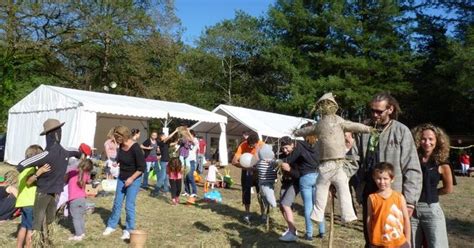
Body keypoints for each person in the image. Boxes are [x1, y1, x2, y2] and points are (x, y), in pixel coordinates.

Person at [293, 92, 372, 226]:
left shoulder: (322, 124)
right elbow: (354, 125)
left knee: (321, 190)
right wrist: (369, 129)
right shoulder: (337, 122)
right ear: (334, 106)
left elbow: (306, 130)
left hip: (328, 166)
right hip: (336, 165)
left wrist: (296, 132)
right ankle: (348, 215)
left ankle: (318, 214)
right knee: (343, 190)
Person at [357, 92, 422, 247]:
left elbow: (412, 168)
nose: (374, 114)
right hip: (370, 194)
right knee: (372, 237)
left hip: (393, 197)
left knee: (393, 239)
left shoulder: (401, 131)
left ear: (390, 110)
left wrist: (410, 201)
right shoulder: (363, 130)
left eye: (379, 111)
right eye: (372, 110)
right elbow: (353, 160)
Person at [17, 119, 83, 246]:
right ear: (58, 134)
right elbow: (75, 153)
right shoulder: (61, 152)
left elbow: (23, 164)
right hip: (52, 193)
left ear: (48, 135)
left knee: (37, 224)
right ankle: (44, 242)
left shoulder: (49, 154)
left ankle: (38, 243)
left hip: (44, 193)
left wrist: (18, 170)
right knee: (44, 223)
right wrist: (81, 155)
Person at [411, 123, 453, 247]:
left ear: (437, 141)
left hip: (431, 209)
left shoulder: (443, 164)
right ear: (418, 140)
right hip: (411, 209)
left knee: (437, 245)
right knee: (411, 244)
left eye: (431, 139)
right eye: (423, 139)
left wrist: (432, 192)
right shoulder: (412, 160)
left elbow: (448, 189)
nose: (427, 142)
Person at [103, 125, 145, 240]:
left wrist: (131, 179)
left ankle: (129, 229)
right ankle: (111, 225)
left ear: (125, 136)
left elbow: (142, 168)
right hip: (122, 178)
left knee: (129, 205)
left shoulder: (135, 148)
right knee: (117, 202)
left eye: (118, 139)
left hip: (134, 179)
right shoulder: (121, 145)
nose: (117, 141)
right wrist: (117, 162)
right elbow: (120, 156)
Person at [279, 136, 324, 242]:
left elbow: (291, 163)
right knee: (317, 205)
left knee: (308, 207)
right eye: (283, 149)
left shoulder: (300, 147)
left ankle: (308, 234)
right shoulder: (316, 147)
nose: (285, 150)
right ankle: (322, 231)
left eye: (286, 148)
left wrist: (288, 168)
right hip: (316, 176)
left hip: (305, 178)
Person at [367, 162, 410, 248]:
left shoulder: (399, 197)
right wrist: (371, 238)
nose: (382, 182)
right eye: (379, 178)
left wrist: (408, 240)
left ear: (392, 179)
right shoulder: (372, 198)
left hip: (398, 242)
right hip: (378, 242)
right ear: (374, 178)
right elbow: (369, 219)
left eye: (385, 178)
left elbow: (406, 219)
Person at [15, 145, 50, 248]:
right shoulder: (32, 169)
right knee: (31, 229)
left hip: (23, 202)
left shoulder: (23, 169)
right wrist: (39, 173)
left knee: (23, 227)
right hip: (30, 203)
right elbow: (29, 182)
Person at [231, 133, 265, 224]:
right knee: (246, 192)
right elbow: (233, 162)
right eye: (249, 144)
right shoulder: (243, 145)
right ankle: (247, 213)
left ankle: (263, 213)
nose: (250, 147)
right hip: (247, 171)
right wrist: (246, 167)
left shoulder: (262, 145)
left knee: (261, 193)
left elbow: (267, 161)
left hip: (259, 172)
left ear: (257, 142)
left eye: (252, 145)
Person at [66, 158, 93, 241]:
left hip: (74, 199)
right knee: (80, 217)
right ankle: (82, 232)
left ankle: (78, 235)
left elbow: (65, 178)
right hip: (82, 199)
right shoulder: (86, 174)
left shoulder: (72, 172)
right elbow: (89, 181)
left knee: (75, 218)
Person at [255, 144, 278, 231]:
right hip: (269, 182)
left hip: (264, 183)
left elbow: (256, 168)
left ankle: (272, 205)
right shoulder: (273, 162)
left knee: (267, 195)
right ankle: (268, 210)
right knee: (267, 195)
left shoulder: (260, 162)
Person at [152, 129, 178, 196]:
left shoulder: (166, 143)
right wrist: (175, 131)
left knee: (166, 177)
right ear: (161, 137)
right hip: (163, 162)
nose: (166, 136)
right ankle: (155, 191)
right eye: (164, 135)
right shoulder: (161, 143)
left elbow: (173, 143)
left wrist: (177, 140)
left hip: (167, 161)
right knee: (162, 177)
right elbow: (168, 137)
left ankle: (165, 190)